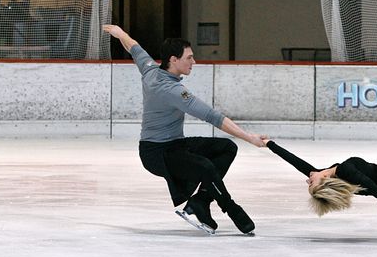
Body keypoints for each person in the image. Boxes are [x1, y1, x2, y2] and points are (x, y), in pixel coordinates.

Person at [103, 24, 264, 234]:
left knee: (226, 148)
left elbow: (134, 47)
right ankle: (231, 209)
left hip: (175, 145)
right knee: (205, 166)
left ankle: (200, 203)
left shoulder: (150, 69)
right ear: (173, 60)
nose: (194, 62)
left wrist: (119, 33)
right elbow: (213, 117)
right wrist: (249, 137)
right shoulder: (173, 91)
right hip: (157, 153)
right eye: (189, 58)